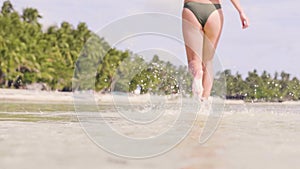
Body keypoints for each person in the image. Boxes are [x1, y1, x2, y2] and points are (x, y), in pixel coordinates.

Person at [182, 0, 249, 101]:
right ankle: (204, 101)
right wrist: (241, 12)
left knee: (195, 61)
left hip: (191, 8)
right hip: (214, 11)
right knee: (208, 61)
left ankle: (198, 76)